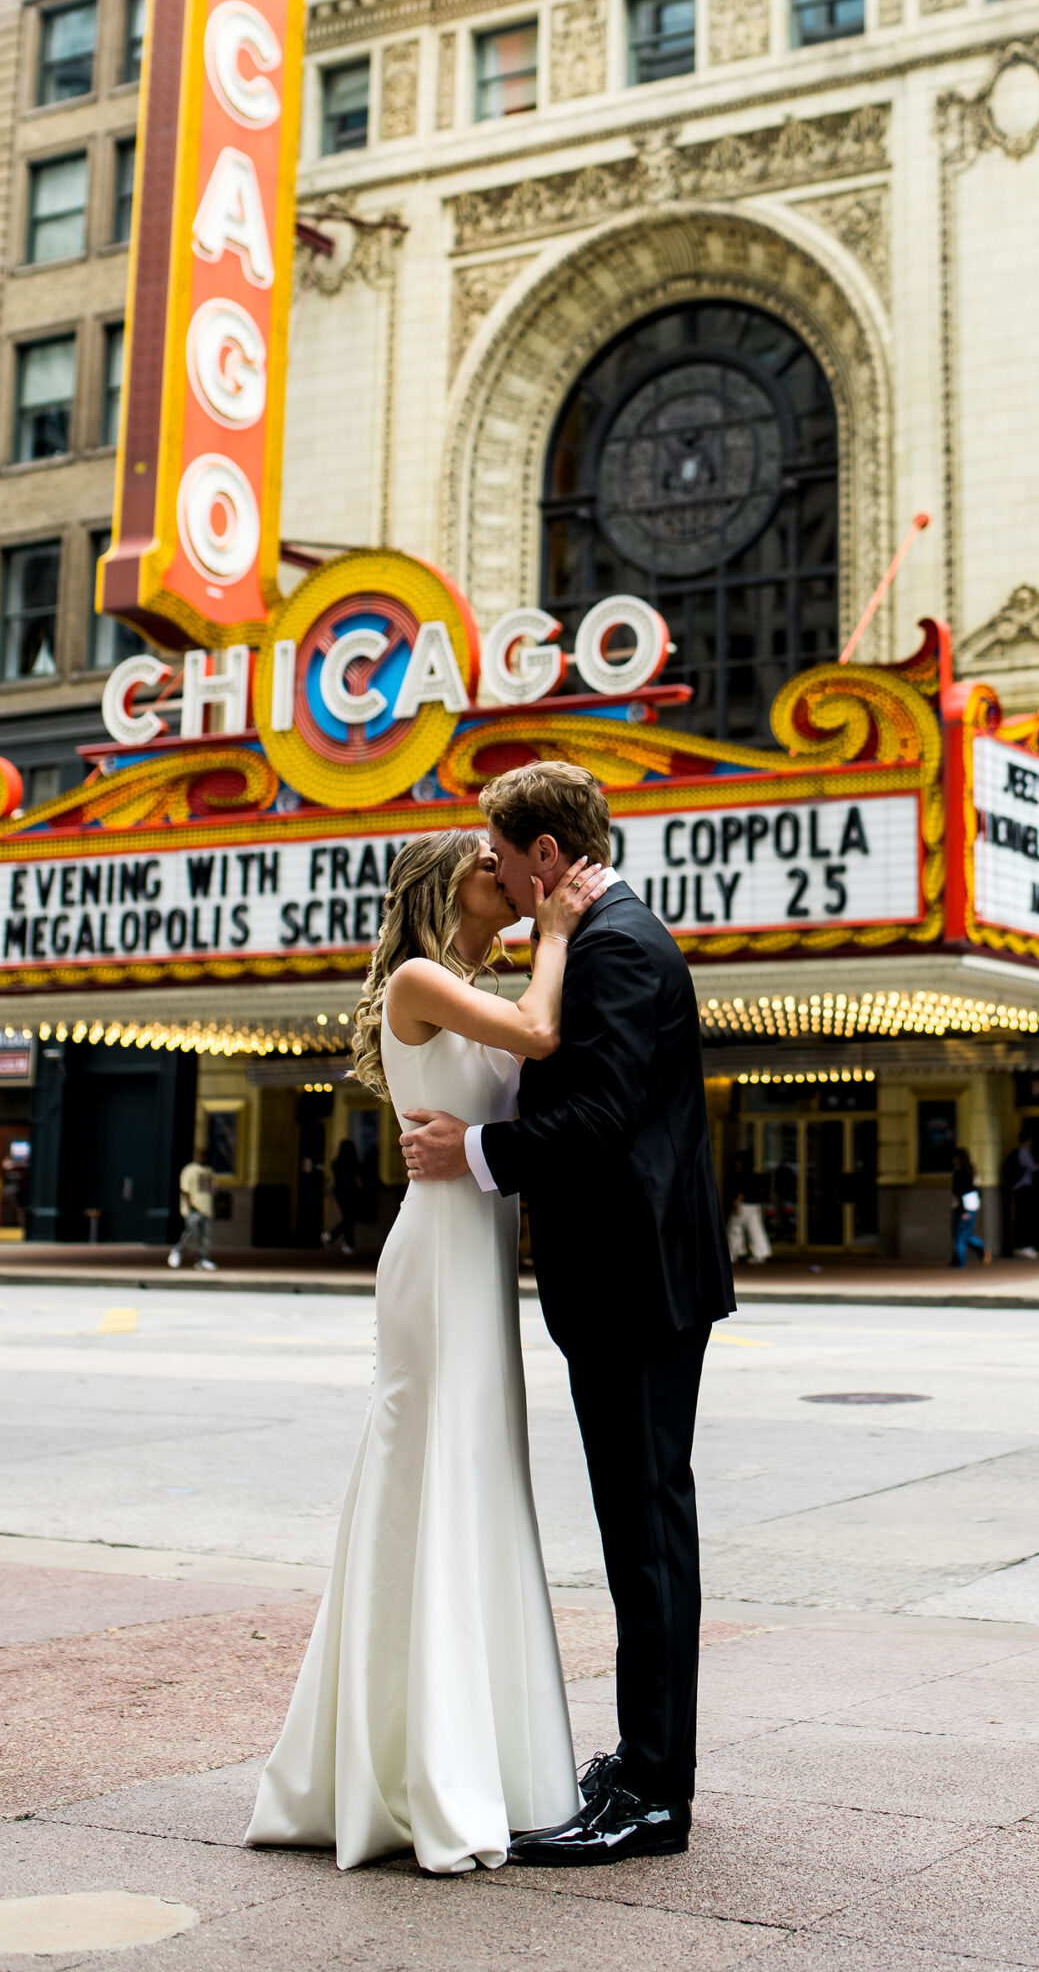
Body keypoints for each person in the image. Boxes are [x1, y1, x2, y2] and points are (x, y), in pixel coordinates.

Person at [246, 828, 609, 1873]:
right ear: (445, 885)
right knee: (435, 1478)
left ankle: (474, 1751)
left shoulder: (462, 980)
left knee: (475, 1481)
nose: (512, 878)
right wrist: (557, 929)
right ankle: (421, 1768)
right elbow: (540, 1033)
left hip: (477, 1253)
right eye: (491, 869)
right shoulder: (418, 975)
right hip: (437, 1261)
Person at [398, 761, 735, 1866]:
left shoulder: (617, 946)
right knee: (642, 1528)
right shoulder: (597, 939)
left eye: (499, 855)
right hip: (627, 1280)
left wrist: (477, 1149)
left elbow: (594, 1111)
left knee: (644, 1534)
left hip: (637, 1284)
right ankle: (649, 1761)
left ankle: (652, 1789)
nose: (486, 869)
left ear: (546, 858)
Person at [168, 1152, 217, 1271]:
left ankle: (202, 1259)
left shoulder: (209, 1171)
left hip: (206, 1208)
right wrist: (190, 1206)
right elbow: (184, 1189)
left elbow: (212, 1189)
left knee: (206, 1236)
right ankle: (178, 1251)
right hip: (194, 1208)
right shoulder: (189, 1170)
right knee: (191, 1232)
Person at [1001, 1125, 1039, 1258]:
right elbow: (1032, 1167)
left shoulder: (1019, 1151)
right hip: (1023, 1188)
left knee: (1022, 1217)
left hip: (1019, 1188)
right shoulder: (1024, 1151)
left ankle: (1021, 1246)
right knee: (1024, 1217)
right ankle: (1023, 1246)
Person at [726, 1150, 772, 1266]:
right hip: (754, 1205)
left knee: (734, 1229)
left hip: (743, 1205)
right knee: (755, 1229)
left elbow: (741, 1191)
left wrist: (736, 1204)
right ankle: (760, 1253)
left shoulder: (741, 1174)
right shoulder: (753, 1173)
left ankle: (733, 1253)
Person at [951, 1147, 988, 1268]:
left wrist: (963, 1210)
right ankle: (960, 1258)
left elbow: (959, 1191)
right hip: (970, 1205)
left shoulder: (960, 1173)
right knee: (963, 1233)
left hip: (963, 1206)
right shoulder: (972, 1171)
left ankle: (961, 1261)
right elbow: (978, 1189)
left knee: (961, 1235)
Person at [324, 1135, 361, 1256]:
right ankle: (345, 1242)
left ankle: (340, 1239)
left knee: (348, 1217)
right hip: (351, 1191)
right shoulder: (353, 1162)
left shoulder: (336, 1163)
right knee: (349, 1217)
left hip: (339, 1191)